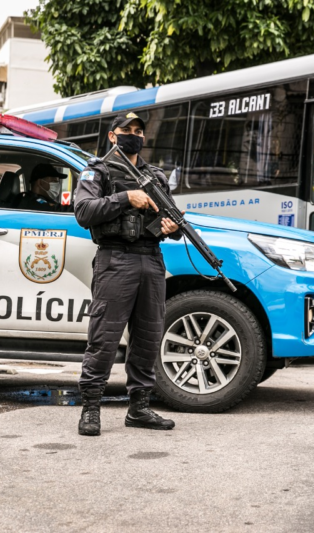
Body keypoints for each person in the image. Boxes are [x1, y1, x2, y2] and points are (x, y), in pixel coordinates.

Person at [74, 112, 182, 436]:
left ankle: (139, 408)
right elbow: (83, 211)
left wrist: (173, 227)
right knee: (104, 338)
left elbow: (172, 224)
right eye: (127, 130)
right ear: (112, 135)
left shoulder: (157, 177)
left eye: (138, 131)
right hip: (115, 259)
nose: (133, 135)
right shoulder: (98, 171)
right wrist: (125, 198)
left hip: (151, 259)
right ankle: (91, 408)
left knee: (148, 338)